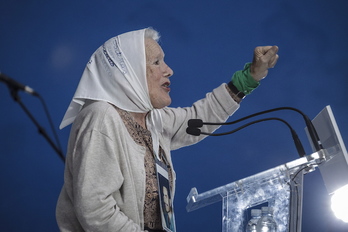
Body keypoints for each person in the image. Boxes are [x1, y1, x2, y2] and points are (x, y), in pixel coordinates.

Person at [56, 27, 279, 232]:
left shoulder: (152, 118)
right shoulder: (101, 117)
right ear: (129, 72)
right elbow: (95, 211)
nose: (169, 70)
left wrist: (250, 76)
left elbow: (198, 119)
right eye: (156, 62)